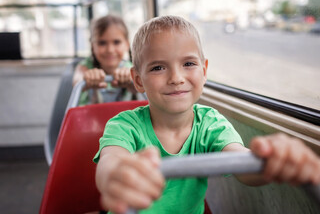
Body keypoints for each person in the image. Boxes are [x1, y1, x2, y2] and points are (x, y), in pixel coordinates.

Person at [93, 16, 320, 213]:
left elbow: (242, 164)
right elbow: (110, 162)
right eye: (158, 68)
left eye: (189, 63)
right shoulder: (123, 126)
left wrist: (272, 160)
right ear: (138, 80)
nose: (176, 78)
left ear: (204, 71)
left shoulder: (211, 125)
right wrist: (117, 175)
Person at [72, 14, 137, 105]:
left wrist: (131, 82)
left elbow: (142, 87)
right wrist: (86, 78)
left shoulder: (130, 69)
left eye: (116, 42)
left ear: (126, 44)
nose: (110, 50)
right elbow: (77, 80)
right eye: (102, 43)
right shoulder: (85, 66)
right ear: (92, 46)